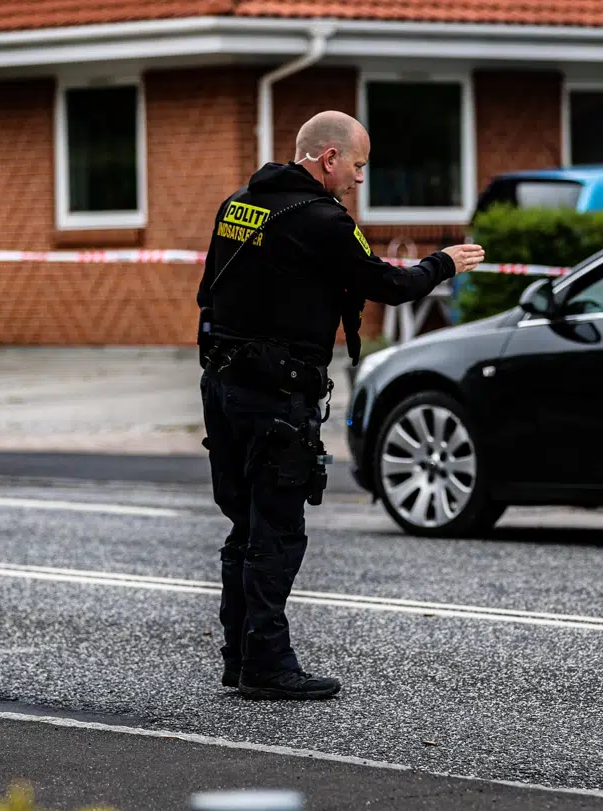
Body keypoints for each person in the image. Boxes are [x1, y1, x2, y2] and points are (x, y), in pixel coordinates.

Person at [197, 110, 483, 700]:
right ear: (328, 158)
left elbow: (210, 291)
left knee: (244, 526)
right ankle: (267, 666)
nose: (358, 179)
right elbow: (389, 285)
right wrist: (443, 264)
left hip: (223, 388)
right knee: (276, 532)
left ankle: (238, 657)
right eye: (357, 165)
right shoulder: (322, 219)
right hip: (276, 397)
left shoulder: (239, 204)